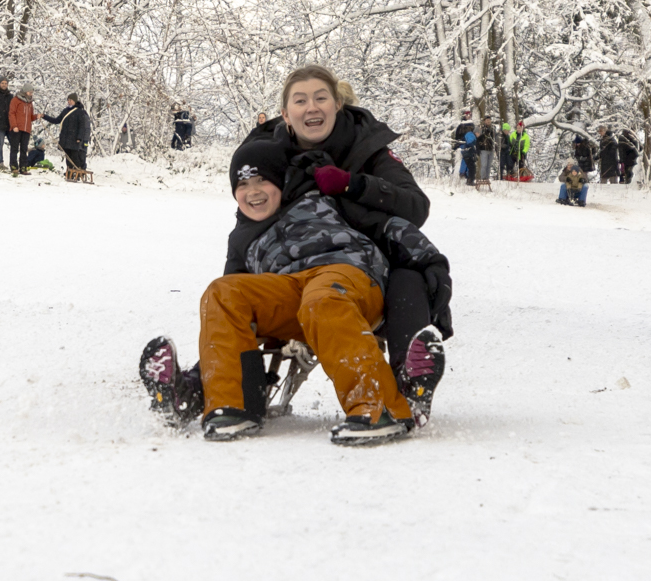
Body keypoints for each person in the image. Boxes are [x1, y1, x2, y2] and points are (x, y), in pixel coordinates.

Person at [141, 64, 451, 436]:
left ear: (338, 104)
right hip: (287, 284)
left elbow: (412, 212)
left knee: (330, 296)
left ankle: (387, 398)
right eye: (300, 101)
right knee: (223, 294)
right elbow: (243, 240)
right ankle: (227, 403)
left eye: (321, 98)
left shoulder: (366, 150)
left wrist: (352, 185)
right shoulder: (267, 159)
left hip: (350, 273)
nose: (311, 108)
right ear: (285, 114)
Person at [41, 92, 91, 172]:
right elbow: (56, 120)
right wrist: (44, 116)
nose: (69, 101)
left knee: (75, 157)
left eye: (71, 100)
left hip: (74, 139)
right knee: (68, 157)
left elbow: (82, 127)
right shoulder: (65, 111)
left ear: (75, 101)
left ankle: (77, 172)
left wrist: (79, 138)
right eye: (68, 100)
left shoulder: (80, 112)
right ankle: (69, 172)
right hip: (65, 138)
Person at [8, 83, 40, 174]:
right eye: (30, 92)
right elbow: (12, 113)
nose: (31, 94)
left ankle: (23, 167)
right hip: (17, 128)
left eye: (32, 92)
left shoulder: (30, 103)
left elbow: (30, 117)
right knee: (14, 148)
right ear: (25, 92)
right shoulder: (15, 100)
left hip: (26, 129)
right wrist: (14, 126)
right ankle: (14, 166)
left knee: (24, 149)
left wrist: (36, 116)